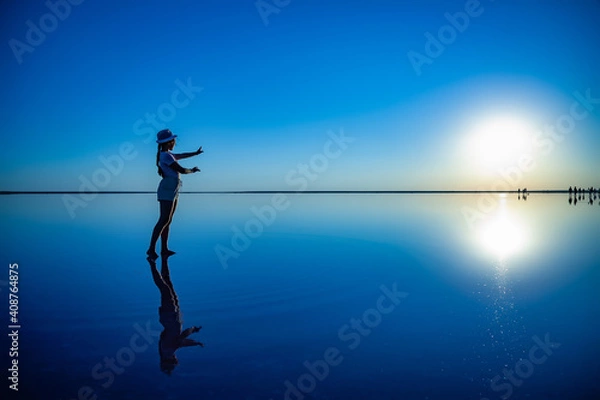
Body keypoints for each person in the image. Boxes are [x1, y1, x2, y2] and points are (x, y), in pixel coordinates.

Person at [147, 129, 203, 260]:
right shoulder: (166, 156)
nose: (175, 143)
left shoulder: (167, 154)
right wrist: (193, 170)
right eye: (174, 141)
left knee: (168, 220)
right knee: (164, 219)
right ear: (169, 142)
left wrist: (195, 153)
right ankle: (151, 249)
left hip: (173, 187)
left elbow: (182, 155)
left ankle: (164, 249)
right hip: (168, 188)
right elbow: (181, 170)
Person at [147, 255, 204, 375]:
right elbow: (180, 339)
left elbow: (182, 339)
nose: (177, 360)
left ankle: (151, 263)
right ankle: (164, 260)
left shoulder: (169, 349)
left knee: (164, 288)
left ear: (172, 361)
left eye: (175, 362)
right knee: (168, 284)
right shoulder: (165, 350)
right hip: (171, 316)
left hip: (170, 315)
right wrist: (193, 331)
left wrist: (195, 339)